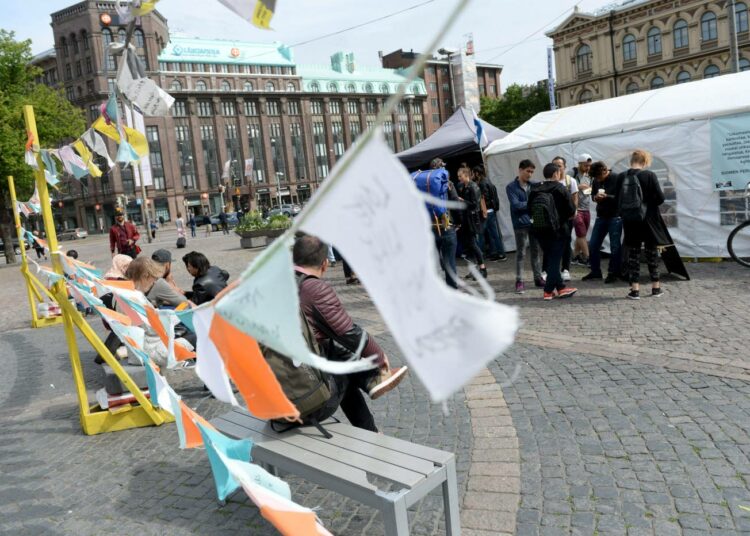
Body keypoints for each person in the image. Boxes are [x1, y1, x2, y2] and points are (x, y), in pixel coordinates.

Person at [293, 234, 408, 432]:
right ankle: (374, 380)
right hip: (302, 401)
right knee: (342, 366)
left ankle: (372, 388)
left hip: (272, 398)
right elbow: (349, 333)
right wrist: (380, 358)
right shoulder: (313, 289)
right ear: (325, 264)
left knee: (333, 352)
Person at [126, 257, 194, 367]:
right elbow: (151, 328)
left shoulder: (128, 293)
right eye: (153, 279)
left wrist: (160, 313)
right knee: (198, 336)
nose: (154, 282)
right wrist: (171, 317)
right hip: (150, 350)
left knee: (190, 334)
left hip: (140, 349)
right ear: (145, 276)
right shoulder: (136, 297)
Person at [622, 150, 669, 300]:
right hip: (649, 219)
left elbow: (619, 199)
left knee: (634, 254)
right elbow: (661, 198)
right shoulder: (649, 175)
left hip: (630, 220)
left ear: (632, 160)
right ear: (645, 161)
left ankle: (635, 289)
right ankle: (656, 287)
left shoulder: (623, 176)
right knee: (651, 253)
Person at [528, 163, 578, 300]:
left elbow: (528, 209)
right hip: (558, 230)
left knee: (551, 259)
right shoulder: (560, 188)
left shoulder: (535, 188)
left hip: (539, 229)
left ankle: (561, 288)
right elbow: (571, 210)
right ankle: (548, 291)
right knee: (555, 261)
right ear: (556, 174)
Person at [412, 157, 458, 289]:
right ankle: (452, 290)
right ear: (441, 168)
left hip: (429, 226)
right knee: (449, 261)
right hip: (446, 225)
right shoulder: (447, 182)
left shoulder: (420, 184)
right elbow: (454, 201)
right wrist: (459, 222)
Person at [582, 161, 624, 283]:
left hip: (615, 217)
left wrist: (607, 196)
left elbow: (621, 197)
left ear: (605, 171)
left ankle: (613, 272)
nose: (598, 180)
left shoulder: (617, 178)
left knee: (615, 246)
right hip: (601, 216)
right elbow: (593, 195)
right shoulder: (596, 179)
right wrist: (595, 197)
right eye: (596, 178)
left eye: (599, 177)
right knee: (593, 245)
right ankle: (595, 271)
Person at [506, 160, 544, 293]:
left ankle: (538, 278)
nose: (530, 174)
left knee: (536, 252)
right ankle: (519, 281)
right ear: (520, 170)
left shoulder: (534, 185)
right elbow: (516, 205)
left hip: (534, 222)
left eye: (532, 172)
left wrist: (530, 204)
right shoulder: (511, 187)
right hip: (520, 223)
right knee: (521, 253)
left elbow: (540, 200)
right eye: (528, 171)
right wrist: (531, 203)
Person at [456, 166, 487, 279]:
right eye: (458, 176)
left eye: (460, 176)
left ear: (466, 175)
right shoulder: (463, 187)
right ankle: (474, 269)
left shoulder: (473, 187)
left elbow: (475, 205)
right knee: (469, 246)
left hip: (472, 220)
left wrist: (462, 201)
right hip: (466, 220)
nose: (459, 178)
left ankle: (483, 269)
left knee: (473, 244)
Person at [551, 156, 579, 282]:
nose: (557, 168)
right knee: (553, 242)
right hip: (553, 218)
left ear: (564, 167)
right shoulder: (550, 181)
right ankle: (552, 269)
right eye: (555, 165)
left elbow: (575, 198)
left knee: (566, 242)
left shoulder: (570, 181)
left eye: (559, 165)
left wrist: (574, 211)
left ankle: (566, 269)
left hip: (567, 217)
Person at [473, 165, 507, 262]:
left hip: (487, 211)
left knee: (483, 234)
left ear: (477, 173)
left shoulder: (483, 183)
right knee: (492, 234)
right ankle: (497, 253)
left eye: (473, 173)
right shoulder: (487, 181)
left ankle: (496, 254)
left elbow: (485, 199)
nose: (472, 175)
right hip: (490, 211)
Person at [572, 156, 593, 266]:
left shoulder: (589, 174)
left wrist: (590, 189)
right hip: (576, 208)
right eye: (585, 165)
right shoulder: (572, 172)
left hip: (586, 208)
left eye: (589, 165)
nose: (588, 167)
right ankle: (588, 258)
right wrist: (578, 186)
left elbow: (590, 189)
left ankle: (574, 257)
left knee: (581, 235)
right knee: (581, 235)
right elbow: (564, 185)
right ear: (579, 163)